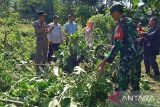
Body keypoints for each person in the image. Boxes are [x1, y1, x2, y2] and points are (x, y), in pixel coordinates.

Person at [98, 3, 143, 104]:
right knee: (135, 80)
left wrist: (104, 61)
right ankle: (136, 101)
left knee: (123, 78)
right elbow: (132, 39)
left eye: (112, 13)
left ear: (117, 12)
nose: (111, 16)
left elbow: (117, 46)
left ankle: (118, 100)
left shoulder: (120, 25)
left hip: (127, 57)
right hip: (137, 56)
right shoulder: (131, 21)